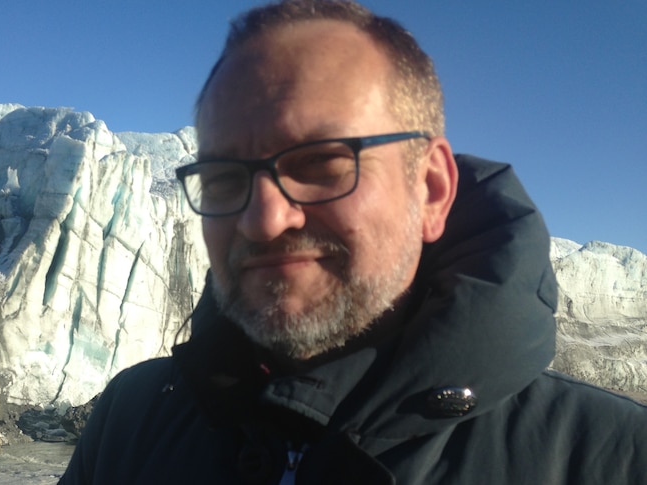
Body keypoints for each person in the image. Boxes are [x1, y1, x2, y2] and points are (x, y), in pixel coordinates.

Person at [59, 1, 646, 483]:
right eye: (223, 178)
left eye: (320, 162)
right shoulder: (130, 425)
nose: (264, 220)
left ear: (433, 192)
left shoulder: (611, 457)